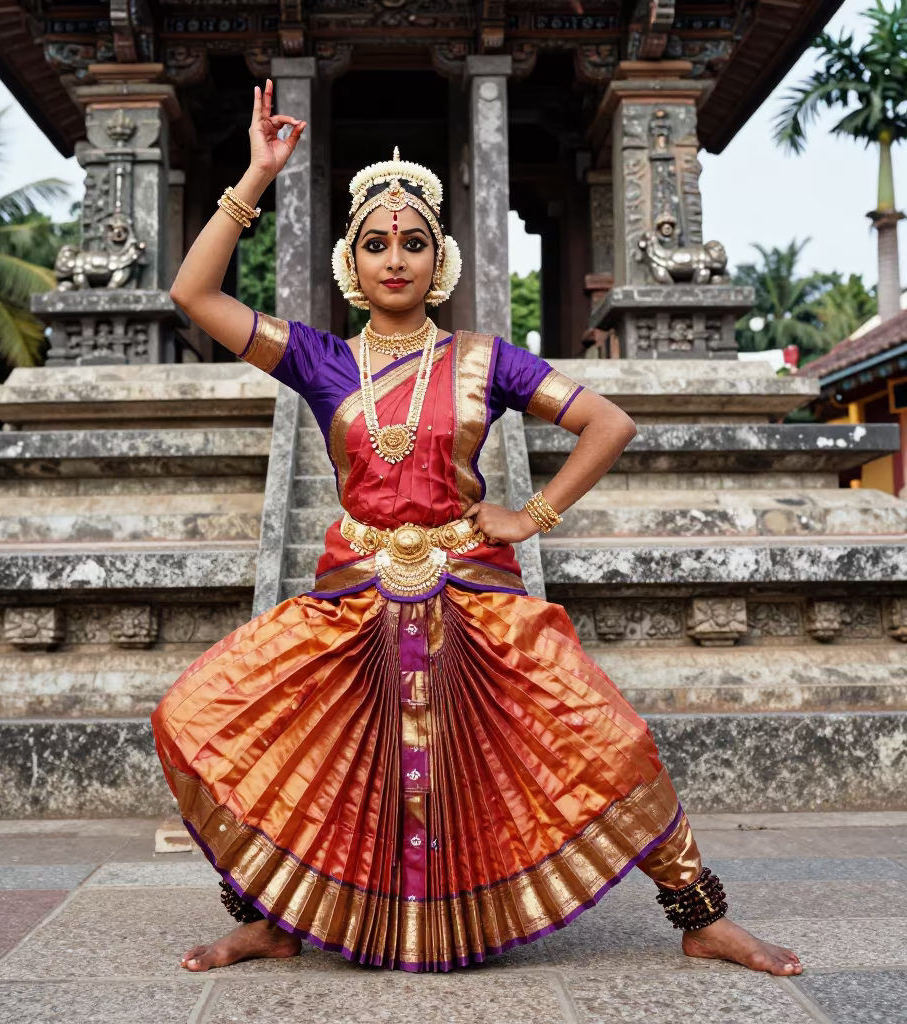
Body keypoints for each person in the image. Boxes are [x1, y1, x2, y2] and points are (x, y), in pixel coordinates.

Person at [153, 79, 803, 977]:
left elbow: (607, 423)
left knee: (607, 736)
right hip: (353, 599)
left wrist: (530, 514)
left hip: (473, 590)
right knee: (260, 736)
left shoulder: (484, 361)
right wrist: (256, 176)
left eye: (413, 243)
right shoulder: (320, 359)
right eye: (375, 245)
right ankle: (269, 917)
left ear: (440, 259)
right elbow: (193, 291)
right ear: (351, 262)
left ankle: (699, 916)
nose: (395, 259)